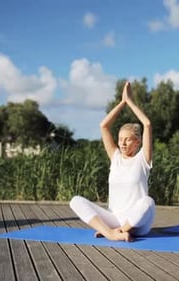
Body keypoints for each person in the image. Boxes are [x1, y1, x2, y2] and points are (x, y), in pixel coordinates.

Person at [70, 81, 155, 242]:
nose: (122, 143)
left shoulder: (142, 160)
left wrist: (130, 102)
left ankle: (121, 230)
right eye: (120, 139)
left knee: (148, 202)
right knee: (75, 201)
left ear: (137, 142)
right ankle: (110, 233)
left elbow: (147, 124)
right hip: (114, 218)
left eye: (128, 140)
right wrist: (121, 103)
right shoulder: (115, 158)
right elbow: (104, 126)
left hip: (138, 224)